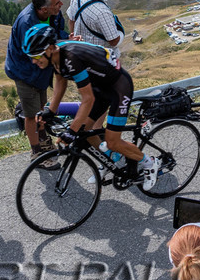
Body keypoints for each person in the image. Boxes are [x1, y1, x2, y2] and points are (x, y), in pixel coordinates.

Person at [26, 25, 159, 192]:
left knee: (112, 140)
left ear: (51, 48)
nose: (34, 61)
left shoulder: (70, 58)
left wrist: (71, 131)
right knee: (85, 131)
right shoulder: (55, 56)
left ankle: (149, 162)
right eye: (31, 56)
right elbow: (61, 82)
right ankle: (112, 160)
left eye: (37, 55)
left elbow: (87, 99)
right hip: (100, 88)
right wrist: (51, 111)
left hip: (118, 87)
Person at [6, 0, 66, 162]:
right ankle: (37, 153)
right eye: (56, 3)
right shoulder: (27, 22)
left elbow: (56, 33)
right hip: (26, 72)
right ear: (43, 8)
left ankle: (43, 140)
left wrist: (66, 38)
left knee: (40, 107)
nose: (61, 4)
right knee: (31, 114)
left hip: (41, 71)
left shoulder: (53, 13)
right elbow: (35, 51)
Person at [66, 0, 124, 66]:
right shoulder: (102, 11)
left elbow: (71, 21)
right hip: (101, 62)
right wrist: (121, 33)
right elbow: (113, 41)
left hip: (81, 57)